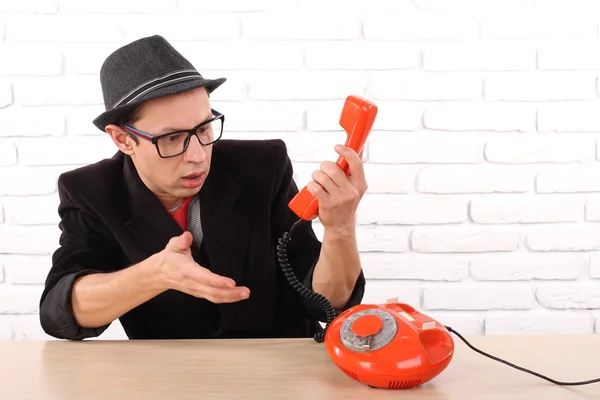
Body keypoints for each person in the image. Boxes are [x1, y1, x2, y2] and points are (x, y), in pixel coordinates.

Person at [39, 35, 366, 341]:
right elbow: (59, 311)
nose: (197, 156)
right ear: (123, 139)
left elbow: (326, 301)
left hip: (280, 372)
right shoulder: (91, 192)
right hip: (176, 380)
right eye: (171, 138)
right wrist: (154, 275)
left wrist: (339, 229)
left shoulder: (263, 165)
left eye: (204, 128)